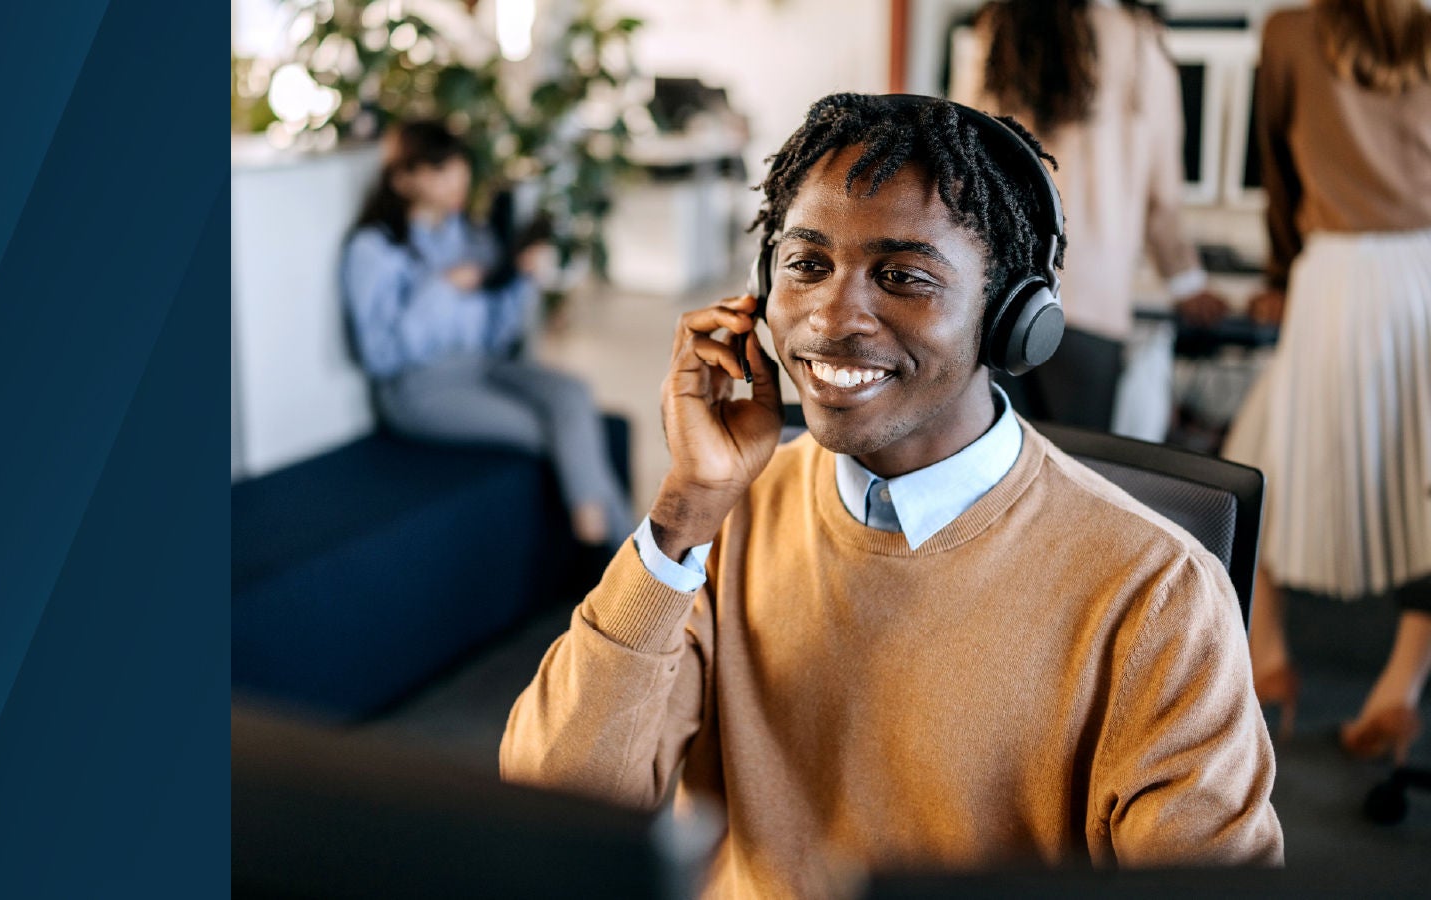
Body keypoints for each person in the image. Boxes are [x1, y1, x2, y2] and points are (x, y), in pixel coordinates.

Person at [500, 94, 1282, 896]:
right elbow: (552, 813)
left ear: (1014, 317)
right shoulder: (725, 519)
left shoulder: (1158, 594)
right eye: (806, 265)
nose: (834, 318)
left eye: (904, 276)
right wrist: (684, 514)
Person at [1223, 0, 1431, 763]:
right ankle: (1397, 688)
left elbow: (1277, 171)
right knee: (1425, 488)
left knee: (1253, 470)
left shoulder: (1288, 33)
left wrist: (1279, 272)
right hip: (1426, 276)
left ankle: (1267, 654)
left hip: (1336, 275)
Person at [343, 120, 631, 545]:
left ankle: (615, 553)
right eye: (440, 170)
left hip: (483, 366)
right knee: (558, 432)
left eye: (459, 166)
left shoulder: (472, 237)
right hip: (418, 390)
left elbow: (499, 337)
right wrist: (442, 288)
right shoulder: (374, 250)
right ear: (403, 179)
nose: (458, 178)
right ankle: (635, 569)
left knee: (573, 394)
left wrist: (521, 280)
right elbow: (379, 355)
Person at [950, 0, 1229, 437]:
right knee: (1071, 476)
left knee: (994, 471)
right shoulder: (1139, 40)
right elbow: (1163, 198)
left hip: (995, 296)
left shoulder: (997, 27)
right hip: (1091, 305)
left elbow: (959, 168)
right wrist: (1187, 282)